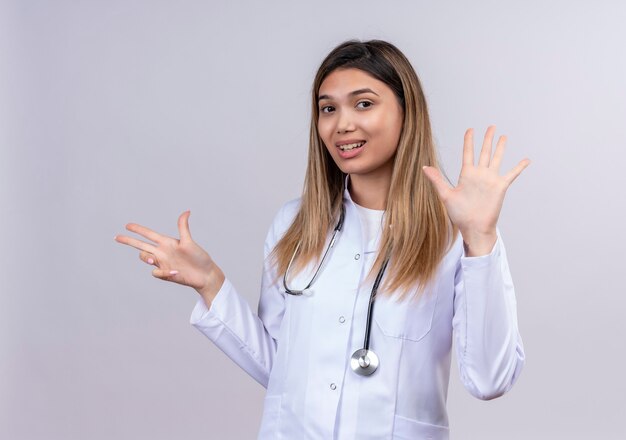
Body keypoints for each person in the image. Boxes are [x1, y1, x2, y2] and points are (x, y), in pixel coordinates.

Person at [115, 39, 529, 439]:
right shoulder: (295, 223)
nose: (342, 124)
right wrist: (211, 284)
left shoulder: (455, 235)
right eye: (327, 108)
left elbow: (489, 379)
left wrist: (481, 238)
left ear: (407, 112)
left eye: (363, 104)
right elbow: (282, 369)